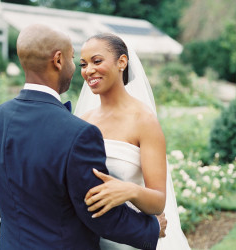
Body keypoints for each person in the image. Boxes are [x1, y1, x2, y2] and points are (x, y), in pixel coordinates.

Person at [0, 24, 166, 250]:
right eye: (77, 60)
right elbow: (95, 210)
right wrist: (150, 228)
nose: (82, 70)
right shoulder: (79, 131)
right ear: (58, 60)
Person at [74, 33, 190, 250]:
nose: (88, 70)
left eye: (97, 61)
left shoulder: (143, 121)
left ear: (122, 62)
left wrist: (130, 191)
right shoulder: (83, 121)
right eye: (83, 64)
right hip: (93, 240)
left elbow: (158, 201)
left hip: (135, 241)